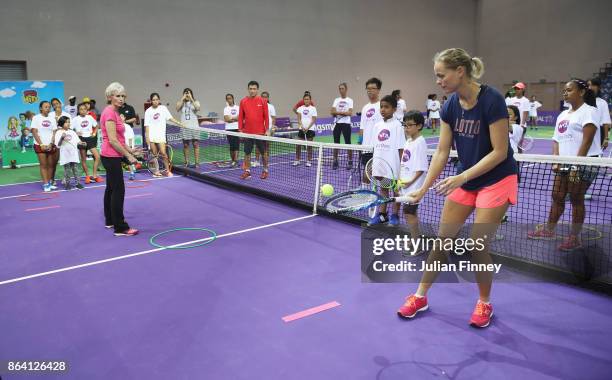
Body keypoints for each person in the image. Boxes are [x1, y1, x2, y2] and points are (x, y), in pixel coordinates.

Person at [398, 48, 518, 328]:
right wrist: (423, 189)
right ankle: (420, 296)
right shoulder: (449, 105)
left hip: (498, 178)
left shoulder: (492, 100)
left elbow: (500, 152)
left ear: (459, 71)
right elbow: (441, 152)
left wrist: (461, 177)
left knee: (478, 245)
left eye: (442, 75)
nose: (438, 81)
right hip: (467, 179)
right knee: (443, 240)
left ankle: (484, 303)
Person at [527, 79, 601, 251]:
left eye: (569, 90)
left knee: (576, 198)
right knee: (557, 195)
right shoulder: (562, 115)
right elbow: (556, 140)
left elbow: (587, 141)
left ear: (581, 92)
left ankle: (575, 238)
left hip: (584, 162)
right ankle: (549, 230)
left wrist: (576, 165)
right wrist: (556, 160)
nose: (564, 93)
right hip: (565, 163)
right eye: (564, 91)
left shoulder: (589, 112)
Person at [100, 82, 140, 236]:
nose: (121, 99)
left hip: (111, 155)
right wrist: (128, 156)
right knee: (118, 190)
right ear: (110, 97)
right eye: (118, 96)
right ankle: (120, 227)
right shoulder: (110, 112)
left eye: (123, 96)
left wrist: (131, 150)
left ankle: (110, 220)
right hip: (111, 156)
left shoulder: (115, 112)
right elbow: (112, 140)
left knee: (111, 189)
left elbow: (119, 139)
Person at [367, 95, 405, 226]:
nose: (383, 109)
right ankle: (382, 215)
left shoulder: (398, 126)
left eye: (386, 107)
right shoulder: (377, 125)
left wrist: (402, 169)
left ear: (394, 109)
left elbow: (401, 149)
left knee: (396, 191)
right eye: (381, 107)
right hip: (380, 164)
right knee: (383, 189)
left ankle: (395, 215)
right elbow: (375, 147)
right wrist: (373, 163)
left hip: (393, 165)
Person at [399, 110, 429, 240]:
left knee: (408, 212)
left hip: (414, 187)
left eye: (410, 125)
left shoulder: (420, 142)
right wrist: (399, 183)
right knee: (409, 212)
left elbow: (421, 169)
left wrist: (410, 183)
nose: (406, 128)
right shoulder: (408, 141)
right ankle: (415, 238)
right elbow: (405, 164)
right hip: (405, 184)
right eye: (405, 125)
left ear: (419, 126)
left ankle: (415, 241)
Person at [144, 92, 184, 177]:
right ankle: (156, 171)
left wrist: (179, 123)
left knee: (163, 153)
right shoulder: (148, 111)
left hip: (160, 135)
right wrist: (147, 138)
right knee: (154, 154)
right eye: (153, 100)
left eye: (156, 99)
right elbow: (147, 126)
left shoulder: (163, 108)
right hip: (151, 135)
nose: (155, 101)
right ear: (151, 101)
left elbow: (170, 118)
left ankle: (167, 170)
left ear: (159, 100)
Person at [238, 81, 270, 180]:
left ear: (257, 90)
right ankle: (247, 171)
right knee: (247, 153)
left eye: (254, 89)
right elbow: (240, 117)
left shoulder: (263, 101)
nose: (252, 91)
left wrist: (267, 129)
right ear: (248, 89)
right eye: (250, 89)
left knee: (263, 153)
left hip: (260, 132)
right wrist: (240, 130)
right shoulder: (243, 101)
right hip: (248, 133)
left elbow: (266, 117)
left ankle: (265, 170)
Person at [359, 78, 384, 188]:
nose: (370, 91)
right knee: (367, 175)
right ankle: (366, 196)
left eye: (373, 88)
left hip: (380, 147)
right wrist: (360, 143)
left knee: (381, 176)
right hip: (366, 147)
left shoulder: (383, 106)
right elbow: (362, 127)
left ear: (378, 90)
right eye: (368, 89)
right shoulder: (365, 108)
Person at [31, 101, 58, 192]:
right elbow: (34, 131)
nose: (48, 108)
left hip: (50, 145)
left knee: (51, 165)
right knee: (43, 165)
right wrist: (41, 144)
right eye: (46, 107)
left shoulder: (52, 118)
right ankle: (46, 184)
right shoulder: (36, 118)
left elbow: (54, 132)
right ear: (40, 108)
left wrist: (51, 143)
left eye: (49, 107)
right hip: (40, 145)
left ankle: (49, 183)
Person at [73, 102, 104, 184]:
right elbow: (70, 129)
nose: (83, 111)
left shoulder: (90, 117)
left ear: (87, 110)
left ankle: (94, 176)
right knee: (83, 159)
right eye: (81, 109)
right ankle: (87, 176)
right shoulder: (75, 119)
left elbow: (97, 125)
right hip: (81, 140)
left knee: (97, 157)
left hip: (90, 139)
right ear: (78, 111)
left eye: (84, 109)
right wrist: (76, 133)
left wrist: (94, 133)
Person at [54, 116, 85, 190]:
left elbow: (78, 141)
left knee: (75, 168)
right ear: (62, 123)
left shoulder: (72, 132)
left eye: (69, 122)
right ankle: (67, 184)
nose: (68, 123)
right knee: (67, 169)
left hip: (73, 153)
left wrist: (82, 143)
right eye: (66, 122)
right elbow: (58, 145)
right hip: (65, 154)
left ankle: (77, 183)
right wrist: (62, 137)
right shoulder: (58, 132)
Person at [176, 88, 201, 168]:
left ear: (191, 94)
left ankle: (197, 163)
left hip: (194, 127)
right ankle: (187, 162)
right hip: (184, 127)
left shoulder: (195, 102)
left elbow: (198, 108)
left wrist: (191, 99)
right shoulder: (181, 103)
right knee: (186, 145)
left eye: (189, 93)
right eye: (186, 93)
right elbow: (177, 108)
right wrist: (182, 99)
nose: (187, 94)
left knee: (195, 144)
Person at [331, 83, 354, 169]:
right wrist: (343, 113)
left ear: (346, 89)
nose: (341, 90)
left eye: (343, 88)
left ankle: (350, 161)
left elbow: (350, 113)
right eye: (340, 89)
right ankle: (335, 160)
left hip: (346, 124)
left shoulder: (350, 100)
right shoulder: (336, 100)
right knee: (336, 143)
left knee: (348, 143)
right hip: (337, 123)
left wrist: (338, 113)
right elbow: (332, 112)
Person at [293, 93, 317, 167]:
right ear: (303, 100)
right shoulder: (300, 108)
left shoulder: (313, 108)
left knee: (309, 146)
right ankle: (297, 160)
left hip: (310, 129)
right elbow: (299, 119)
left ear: (310, 100)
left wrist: (308, 128)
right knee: (298, 145)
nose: (306, 100)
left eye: (308, 99)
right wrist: (302, 127)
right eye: (305, 99)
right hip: (302, 129)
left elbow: (313, 120)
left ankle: (309, 160)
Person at [588, 77, 611, 150]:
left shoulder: (602, 103)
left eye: (593, 85)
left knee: (595, 157)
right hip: (583, 131)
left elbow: (605, 122)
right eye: (588, 85)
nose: (590, 87)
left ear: (598, 87)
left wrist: (606, 138)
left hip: (599, 132)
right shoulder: (582, 102)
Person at [259, 91, 276, 167]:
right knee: (258, 145)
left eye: (266, 97)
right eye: (263, 96)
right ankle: (256, 161)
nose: (264, 98)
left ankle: (266, 162)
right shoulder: (258, 106)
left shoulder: (271, 106)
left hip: (268, 129)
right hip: (259, 129)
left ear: (268, 98)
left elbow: (273, 118)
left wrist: (272, 127)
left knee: (266, 146)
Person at [223, 93, 240, 167]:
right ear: (226, 100)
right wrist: (235, 118)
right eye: (228, 99)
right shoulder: (226, 109)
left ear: (233, 99)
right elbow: (226, 119)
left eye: (230, 98)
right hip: (229, 129)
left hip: (237, 128)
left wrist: (231, 118)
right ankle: (233, 161)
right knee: (231, 146)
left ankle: (236, 161)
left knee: (236, 145)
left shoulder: (238, 107)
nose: (229, 100)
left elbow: (240, 118)